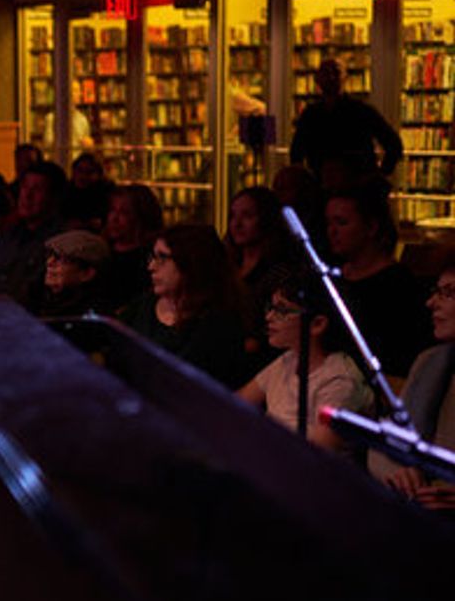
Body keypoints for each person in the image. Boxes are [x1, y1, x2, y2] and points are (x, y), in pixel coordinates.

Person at [236, 279, 373, 461]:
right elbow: (238, 402)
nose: (269, 316)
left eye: (282, 310)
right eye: (271, 307)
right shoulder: (289, 359)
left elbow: (312, 458)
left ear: (317, 324)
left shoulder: (340, 381)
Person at [372, 249, 455, 511]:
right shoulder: (430, 361)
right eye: (436, 290)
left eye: (448, 293)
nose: (431, 302)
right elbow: (383, 444)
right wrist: (399, 470)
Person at [326, 179, 431, 379]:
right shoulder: (333, 278)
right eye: (329, 222)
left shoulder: (398, 285)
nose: (332, 231)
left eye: (342, 223)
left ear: (371, 227)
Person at [122, 224, 250, 388]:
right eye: (152, 257)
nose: (151, 266)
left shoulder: (218, 323)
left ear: (191, 263)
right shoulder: (144, 305)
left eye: (162, 258)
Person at [289, 58, 403, 190]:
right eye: (326, 72)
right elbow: (296, 152)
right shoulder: (310, 114)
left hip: (356, 188)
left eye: (336, 72)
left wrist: (379, 175)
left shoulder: (361, 110)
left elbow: (393, 144)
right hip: (324, 188)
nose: (331, 77)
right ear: (317, 79)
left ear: (345, 77)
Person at [224, 186, 294, 369]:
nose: (237, 224)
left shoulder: (279, 273)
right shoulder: (226, 267)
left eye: (247, 216)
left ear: (266, 219)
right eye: (233, 216)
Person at [0, 161, 67, 305]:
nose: (27, 195)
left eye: (37, 189)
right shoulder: (7, 236)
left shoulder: (61, 243)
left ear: (54, 197)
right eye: (24, 187)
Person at [95, 184, 163, 314]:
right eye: (112, 210)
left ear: (141, 217)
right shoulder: (100, 252)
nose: (114, 218)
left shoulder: (152, 256)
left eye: (124, 212)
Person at [33, 228, 110, 318]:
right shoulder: (37, 295)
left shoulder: (93, 319)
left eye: (62, 259)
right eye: (50, 255)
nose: (49, 262)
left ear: (87, 274)